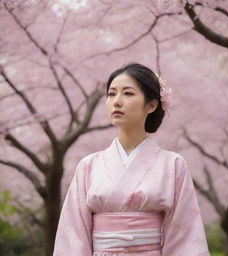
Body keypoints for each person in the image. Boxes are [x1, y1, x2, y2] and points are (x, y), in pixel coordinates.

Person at [53, 63, 210, 256]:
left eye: (128, 93)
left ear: (151, 105)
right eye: (112, 94)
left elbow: (184, 236)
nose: (117, 101)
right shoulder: (88, 165)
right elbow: (73, 235)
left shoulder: (173, 164)